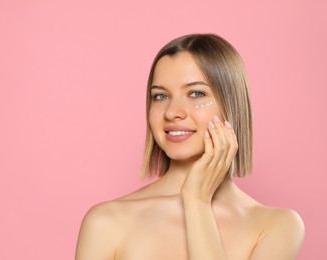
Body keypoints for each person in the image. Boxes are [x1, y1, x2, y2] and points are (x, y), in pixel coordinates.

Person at [75, 34, 305, 260]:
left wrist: (197, 201)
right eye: (160, 96)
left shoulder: (277, 227)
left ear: (232, 104)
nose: (172, 112)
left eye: (196, 93)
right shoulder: (106, 223)